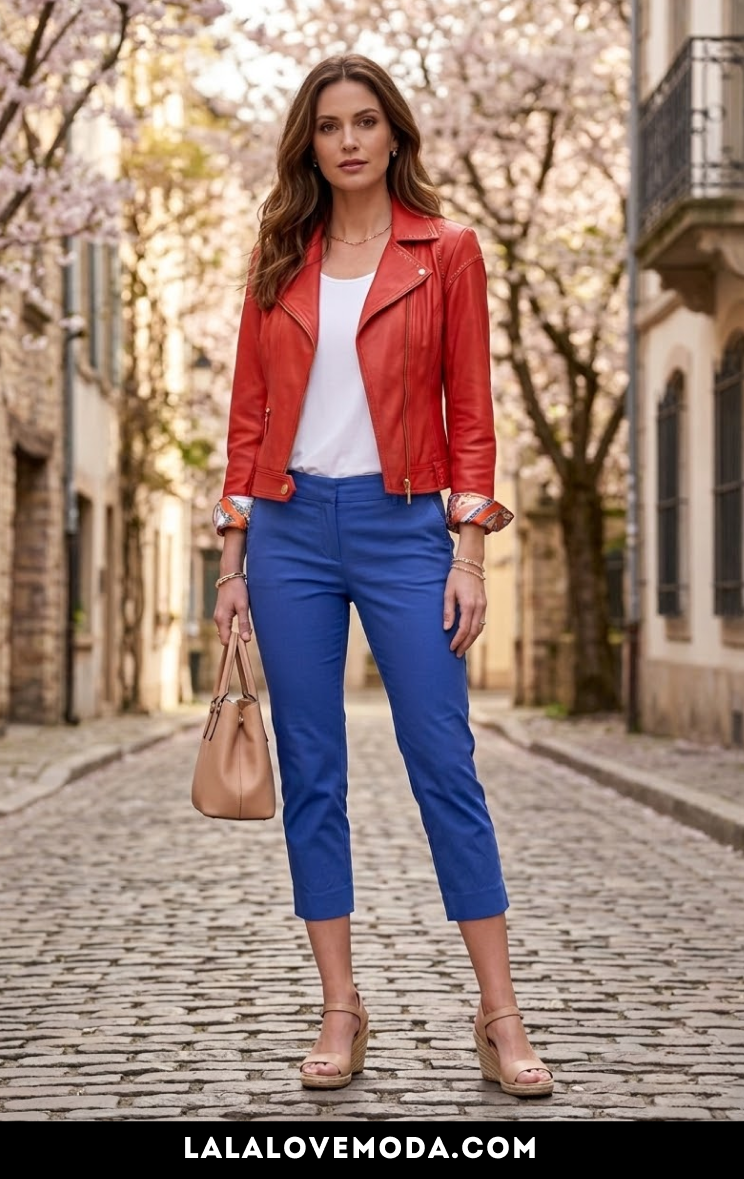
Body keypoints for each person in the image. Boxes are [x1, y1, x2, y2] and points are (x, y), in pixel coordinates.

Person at [212, 53, 553, 1099]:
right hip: (290, 531)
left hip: (408, 528)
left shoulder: (446, 252)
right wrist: (233, 565)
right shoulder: (279, 257)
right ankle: (340, 1006)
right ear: (309, 143)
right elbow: (247, 420)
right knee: (313, 774)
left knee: (444, 760)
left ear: (394, 135)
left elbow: (472, 414)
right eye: (329, 126)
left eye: (366, 122)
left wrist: (470, 553)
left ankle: (500, 1015)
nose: (349, 140)